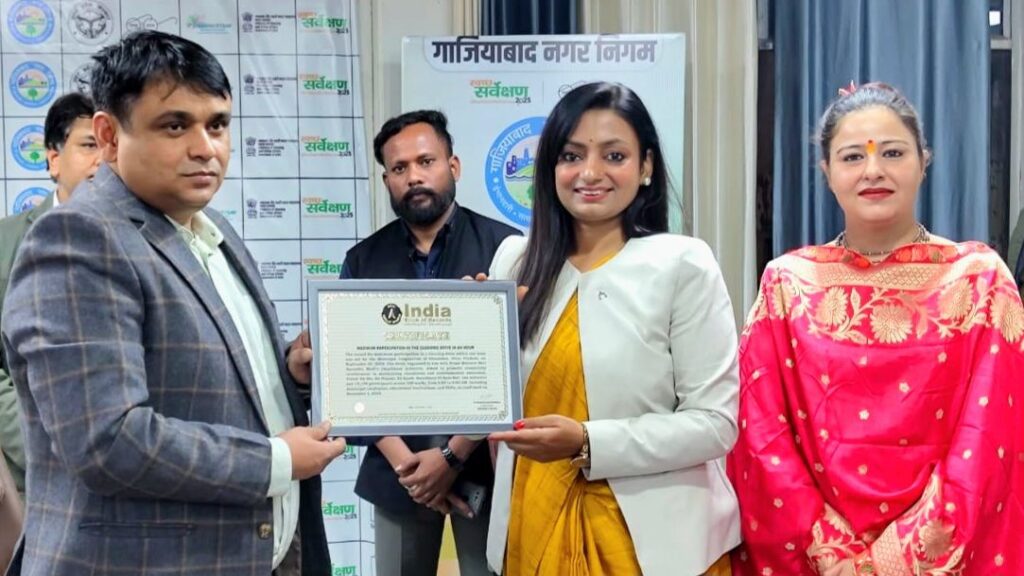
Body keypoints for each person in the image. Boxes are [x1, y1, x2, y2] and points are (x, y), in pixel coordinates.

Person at [0, 31, 346, 576]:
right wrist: (277, 460)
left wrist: (289, 373)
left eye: (218, 125)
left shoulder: (213, 229)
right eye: (175, 126)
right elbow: (108, 439)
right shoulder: (78, 239)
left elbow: (203, 376)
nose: (205, 147)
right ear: (109, 136)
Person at [728, 82, 1024, 576]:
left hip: (949, 550)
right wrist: (832, 553)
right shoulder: (788, 284)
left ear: (923, 161)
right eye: (852, 157)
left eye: (892, 152)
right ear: (826, 172)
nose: (873, 170)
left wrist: (899, 557)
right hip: (816, 557)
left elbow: (990, 436)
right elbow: (760, 432)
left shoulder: (980, 281)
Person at [484, 82, 740, 576]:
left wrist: (587, 441)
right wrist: (467, 331)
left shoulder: (683, 264)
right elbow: (489, 401)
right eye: (571, 155)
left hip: (656, 544)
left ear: (646, 167)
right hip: (533, 522)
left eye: (614, 155)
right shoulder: (515, 262)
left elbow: (715, 424)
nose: (590, 172)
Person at [340, 109, 520, 576]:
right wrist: (410, 469)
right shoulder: (362, 261)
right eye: (399, 168)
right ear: (387, 180)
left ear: (453, 166)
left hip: (485, 466)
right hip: (397, 471)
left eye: (426, 161)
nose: (414, 177)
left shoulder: (506, 248)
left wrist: (451, 457)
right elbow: (352, 374)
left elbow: (517, 364)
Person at [0, 92, 101, 503]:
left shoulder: (149, 242)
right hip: (33, 484)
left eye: (111, 146)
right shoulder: (6, 241)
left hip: (131, 484)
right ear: (54, 159)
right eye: (89, 145)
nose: (103, 160)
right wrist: (39, 447)